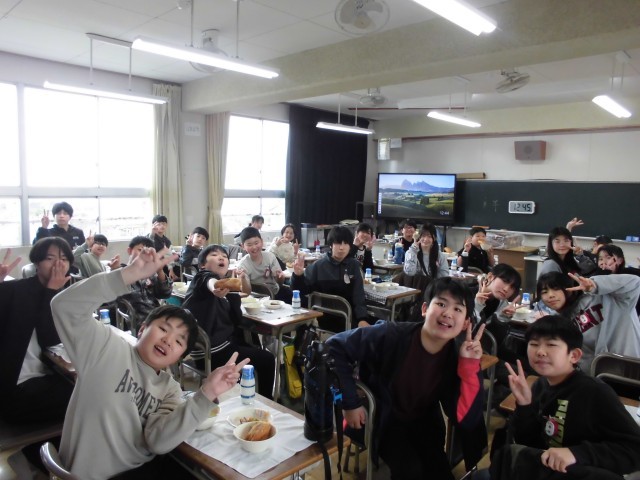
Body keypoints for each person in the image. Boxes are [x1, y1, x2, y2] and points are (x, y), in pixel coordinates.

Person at [51, 247, 250, 479]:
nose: (168, 340)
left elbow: (158, 442)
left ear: (181, 356)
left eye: (179, 341)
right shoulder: (106, 349)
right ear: (142, 328)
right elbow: (64, 306)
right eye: (163, 329)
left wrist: (206, 394)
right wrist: (125, 276)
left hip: (142, 469)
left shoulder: (169, 388)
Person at [327, 278, 487, 480]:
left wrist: (470, 365)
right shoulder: (391, 335)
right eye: (441, 304)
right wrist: (349, 403)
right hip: (381, 418)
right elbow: (333, 348)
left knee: (440, 473)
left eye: (457, 309)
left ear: (465, 323)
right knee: (410, 471)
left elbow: (466, 418)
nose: (448, 313)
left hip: (423, 422)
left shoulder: (455, 357)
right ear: (425, 309)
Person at [490, 315, 640, 480]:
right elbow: (530, 444)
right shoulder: (540, 385)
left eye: (551, 345)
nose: (540, 352)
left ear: (574, 355)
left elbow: (635, 449)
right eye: (533, 344)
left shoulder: (594, 392)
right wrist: (524, 405)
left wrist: (576, 453)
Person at [182, 244, 275, 398]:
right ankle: (267, 399)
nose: (221, 257)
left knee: (253, 346)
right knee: (268, 359)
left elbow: (238, 312)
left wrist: (241, 280)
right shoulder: (201, 279)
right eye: (214, 255)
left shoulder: (226, 287)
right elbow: (209, 281)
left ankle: (252, 394)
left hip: (218, 347)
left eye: (224, 256)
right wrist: (215, 288)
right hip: (212, 353)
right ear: (202, 265)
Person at [0, 238, 74, 424]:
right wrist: (51, 292)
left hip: (44, 376)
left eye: (64, 259)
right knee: (88, 395)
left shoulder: (63, 295)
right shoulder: (15, 290)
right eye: (50, 258)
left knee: (91, 387)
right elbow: (49, 339)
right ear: (36, 263)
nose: (58, 264)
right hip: (16, 387)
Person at [535, 271, 640, 372]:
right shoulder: (561, 322)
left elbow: (635, 282)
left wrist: (594, 285)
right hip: (599, 376)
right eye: (544, 292)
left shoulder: (608, 298)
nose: (551, 295)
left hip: (630, 369)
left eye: (556, 289)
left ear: (568, 289)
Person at [291, 225, 371, 330]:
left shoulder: (354, 265)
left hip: (352, 317)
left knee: (381, 326)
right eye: (338, 243)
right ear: (331, 245)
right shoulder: (318, 266)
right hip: (326, 317)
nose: (342, 247)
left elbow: (358, 295)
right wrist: (297, 276)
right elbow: (300, 291)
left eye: (346, 243)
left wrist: (362, 318)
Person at [116, 236, 173, 323]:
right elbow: (113, 299)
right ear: (130, 251)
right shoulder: (121, 272)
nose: (144, 255)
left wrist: (160, 271)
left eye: (149, 253)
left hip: (155, 316)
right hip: (136, 320)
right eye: (140, 250)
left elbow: (165, 294)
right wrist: (115, 270)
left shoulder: (150, 274)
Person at [237, 226, 291, 302]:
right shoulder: (243, 265)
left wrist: (280, 277)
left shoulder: (270, 257)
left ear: (262, 242)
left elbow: (279, 282)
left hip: (276, 292)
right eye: (249, 245)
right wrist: (242, 278)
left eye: (256, 243)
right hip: (256, 298)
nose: (254, 247)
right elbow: (246, 293)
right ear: (243, 246)